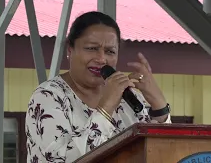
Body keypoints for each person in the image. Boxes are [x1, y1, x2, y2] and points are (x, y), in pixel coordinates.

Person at [25, 11, 172, 163]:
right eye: (91, 48)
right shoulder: (48, 96)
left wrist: (159, 106)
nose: (101, 58)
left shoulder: (128, 98)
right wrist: (106, 107)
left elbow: (159, 152)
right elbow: (62, 159)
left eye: (110, 51)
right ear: (70, 49)